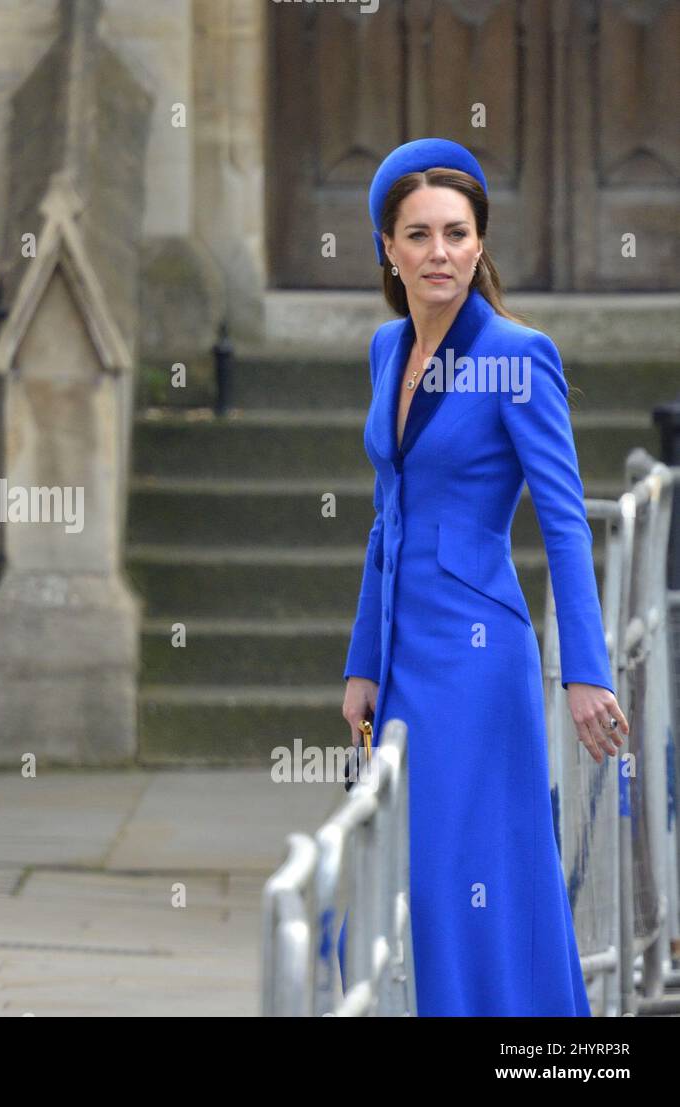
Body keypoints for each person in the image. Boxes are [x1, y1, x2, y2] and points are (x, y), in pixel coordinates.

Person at [337, 138, 628, 1016]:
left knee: (464, 881)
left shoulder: (517, 354)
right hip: (400, 657)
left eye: (457, 234)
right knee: (404, 879)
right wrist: (362, 661)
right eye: (418, 234)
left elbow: (567, 520)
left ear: (479, 242)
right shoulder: (389, 348)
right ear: (388, 248)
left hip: (475, 660)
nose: (439, 253)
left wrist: (585, 670)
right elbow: (387, 516)